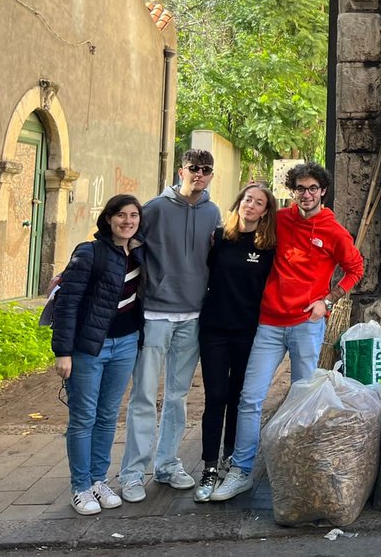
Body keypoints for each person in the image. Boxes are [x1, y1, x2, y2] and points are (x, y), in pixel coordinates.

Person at [211, 161, 364, 501]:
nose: (306, 194)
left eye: (313, 188)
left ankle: (299, 467)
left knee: (302, 401)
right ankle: (241, 470)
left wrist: (330, 299)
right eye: (300, 189)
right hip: (268, 322)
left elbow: (355, 268)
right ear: (292, 191)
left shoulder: (334, 231)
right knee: (250, 398)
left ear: (322, 190)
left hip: (306, 325)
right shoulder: (280, 221)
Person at [119, 149, 221, 502]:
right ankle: (132, 473)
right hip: (156, 314)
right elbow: (130, 243)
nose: (199, 174)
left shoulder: (212, 212)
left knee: (177, 397)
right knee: (144, 396)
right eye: (194, 168)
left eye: (206, 170)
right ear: (181, 170)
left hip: (192, 315)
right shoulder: (156, 208)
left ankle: (166, 464)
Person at [51, 195, 146, 515]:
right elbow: (67, 303)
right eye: (120, 215)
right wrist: (63, 352)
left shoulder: (139, 253)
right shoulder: (89, 252)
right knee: (83, 418)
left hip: (126, 344)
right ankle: (80, 487)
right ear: (107, 219)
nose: (127, 221)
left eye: (133, 216)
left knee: (107, 416)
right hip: (90, 348)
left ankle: (98, 480)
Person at [193, 183, 277, 502]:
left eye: (258, 203)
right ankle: (209, 468)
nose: (251, 206)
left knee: (240, 398)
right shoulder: (219, 237)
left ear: (266, 211)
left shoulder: (268, 246)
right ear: (239, 202)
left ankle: (232, 459)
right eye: (247, 199)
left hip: (248, 331)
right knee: (216, 396)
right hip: (214, 329)